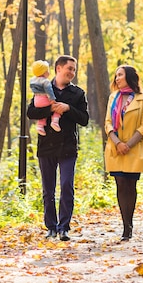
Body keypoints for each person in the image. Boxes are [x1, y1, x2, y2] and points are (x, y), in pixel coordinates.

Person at [27, 55, 89, 241]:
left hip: (68, 147)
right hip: (46, 147)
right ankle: (51, 227)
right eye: (69, 68)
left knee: (66, 186)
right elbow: (31, 112)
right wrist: (52, 109)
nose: (71, 72)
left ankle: (64, 228)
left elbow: (85, 119)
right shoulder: (44, 86)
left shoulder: (78, 93)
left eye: (74, 70)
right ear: (58, 68)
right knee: (48, 189)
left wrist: (68, 108)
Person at [104, 64, 143, 241]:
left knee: (130, 186)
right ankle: (124, 225)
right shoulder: (113, 97)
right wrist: (118, 143)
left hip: (135, 149)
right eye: (116, 75)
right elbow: (108, 123)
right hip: (115, 148)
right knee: (120, 185)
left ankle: (130, 224)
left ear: (130, 77)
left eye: (120, 75)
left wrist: (128, 144)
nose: (117, 78)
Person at [30, 60, 61, 136]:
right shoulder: (45, 81)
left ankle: (40, 126)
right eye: (47, 70)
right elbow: (49, 91)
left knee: (43, 114)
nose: (49, 72)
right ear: (44, 72)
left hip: (37, 101)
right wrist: (52, 99)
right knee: (58, 107)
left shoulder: (32, 80)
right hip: (44, 99)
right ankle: (55, 121)